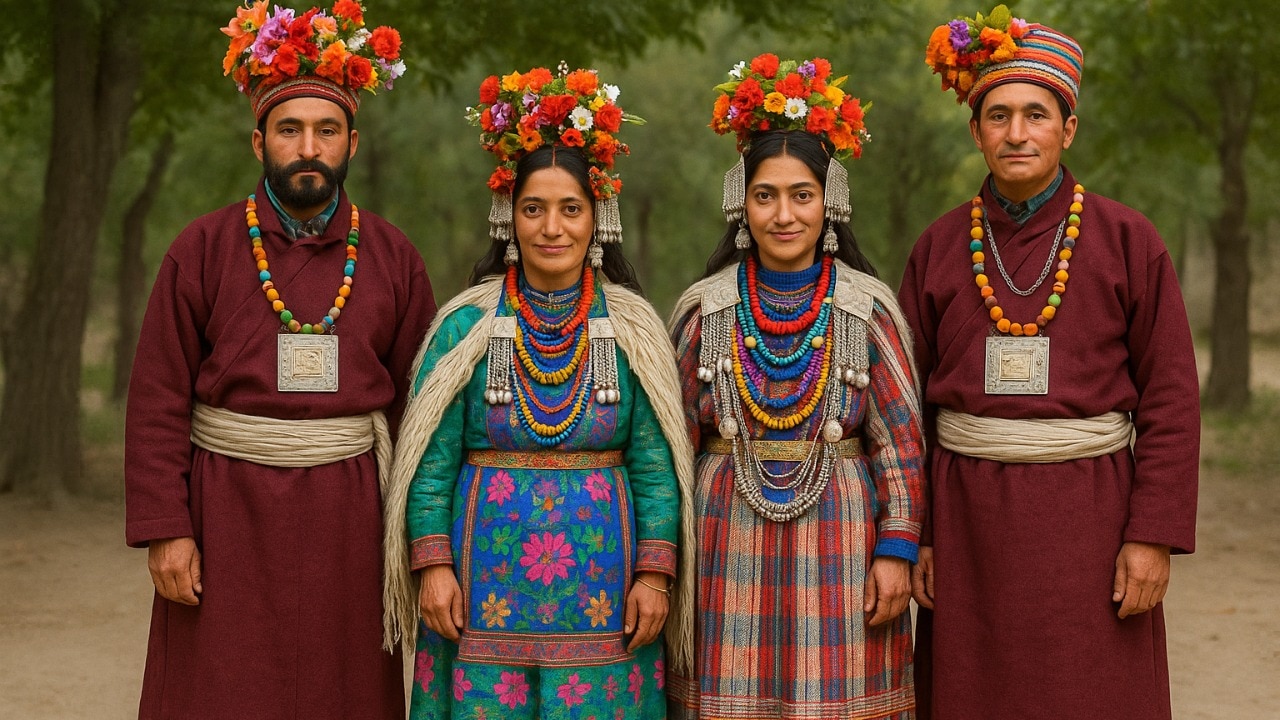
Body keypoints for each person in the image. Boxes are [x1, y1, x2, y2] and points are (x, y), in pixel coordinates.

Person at [124, 3, 434, 718]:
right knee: (219, 690)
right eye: (288, 130)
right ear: (257, 140)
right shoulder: (200, 250)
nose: (307, 148)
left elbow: (420, 413)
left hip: (351, 514)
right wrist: (167, 529)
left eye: (326, 132)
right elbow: (158, 397)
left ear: (351, 142)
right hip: (224, 512)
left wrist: (422, 539)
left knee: (344, 691)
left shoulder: (391, 257)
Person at [901, 6, 1200, 719]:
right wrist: (919, 535)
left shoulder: (1131, 241)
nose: (1016, 132)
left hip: (1092, 520)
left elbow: (1171, 400)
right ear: (976, 132)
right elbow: (905, 411)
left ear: (1067, 130)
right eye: (997, 115)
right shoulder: (939, 248)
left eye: (1036, 115)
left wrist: (1151, 537)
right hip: (968, 525)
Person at [379, 65, 696, 719]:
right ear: (509, 218)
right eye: (534, 209)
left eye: (570, 209)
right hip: (479, 599)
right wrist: (432, 567)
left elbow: (655, 466)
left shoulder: (632, 328)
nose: (552, 228)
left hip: (608, 602)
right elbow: (430, 466)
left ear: (595, 218)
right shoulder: (465, 328)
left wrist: (655, 575)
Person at [666, 54, 925, 720]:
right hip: (723, 538)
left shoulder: (867, 310)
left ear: (830, 202)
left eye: (801, 195)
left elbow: (900, 446)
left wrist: (896, 550)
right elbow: (668, 450)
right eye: (766, 195)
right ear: (740, 203)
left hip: (844, 543)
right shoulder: (706, 310)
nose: (784, 214)